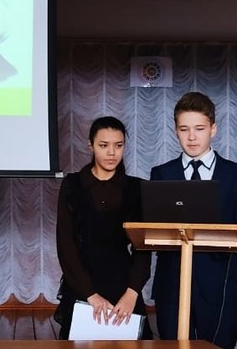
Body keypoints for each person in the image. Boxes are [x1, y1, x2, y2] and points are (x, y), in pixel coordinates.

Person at [150, 91, 237, 349]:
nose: (192, 137)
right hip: (171, 287)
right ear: (175, 131)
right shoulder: (162, 174)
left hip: (220, 285)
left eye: (199, 129)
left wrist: (221, 237)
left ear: (213, 129)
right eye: (184, 129)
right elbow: (151, 230)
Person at [55, 116, 153, 340]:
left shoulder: (136, 188)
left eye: (118, 146)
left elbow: (143, 247)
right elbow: (66, 244)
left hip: (124, 284)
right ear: (90, 145)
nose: (111, 153)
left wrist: (131, 293)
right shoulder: (72, 184)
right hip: (82, 283)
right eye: (103, 145)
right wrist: (90, 294)